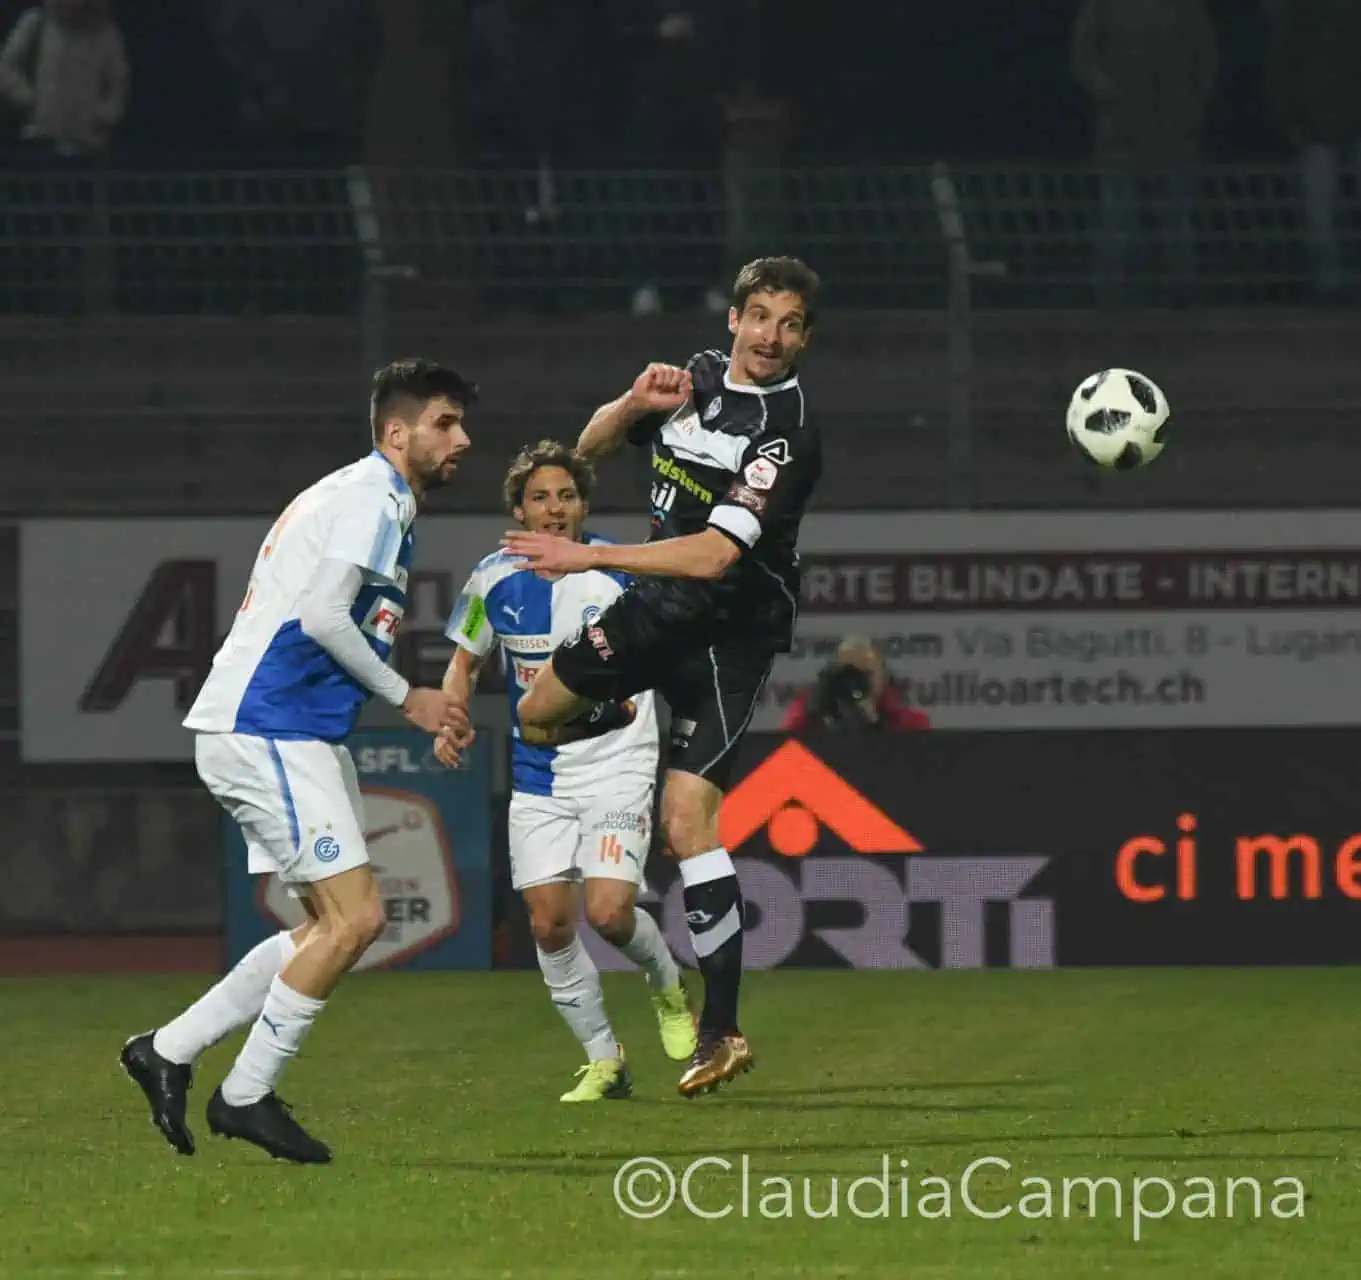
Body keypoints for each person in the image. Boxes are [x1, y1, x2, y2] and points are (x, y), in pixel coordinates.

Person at [120, 358, 477, 1164]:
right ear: (397, 432)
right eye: (445, 422)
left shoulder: (369, 497)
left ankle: (167, 1050)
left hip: (289, 732)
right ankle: (243, 1097)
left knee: (328, 922)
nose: (463, 438)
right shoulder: (370, 496)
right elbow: (320, 615)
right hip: (267, 727)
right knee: (357, 920)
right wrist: (408, 697)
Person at [498, 256, 822, 1096]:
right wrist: (631, 405)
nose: (770, 337)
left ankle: (720, 1030)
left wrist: (588, 553)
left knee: (688, 822)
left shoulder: (785, 431)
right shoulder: (699, 379)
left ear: (803, 338)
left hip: (728, 634)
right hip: (654, 614)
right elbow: (589, 449)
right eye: (759, 316)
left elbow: (717, 555)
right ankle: (627, 719)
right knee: (535, 713)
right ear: (733, 320)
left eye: (789, 324)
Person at [437, 440, 697, 1101]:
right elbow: (464, 660)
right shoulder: (489, 580)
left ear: (584, 504)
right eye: (539, 497)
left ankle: (667, 987)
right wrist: (453, 714)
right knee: (549, 922)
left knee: (609, 914)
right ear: (518, 508)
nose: (554, 509)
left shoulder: (617, 578)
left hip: (615, 761)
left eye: (566, 496)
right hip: (538, 773)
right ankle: (604, 1059)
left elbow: (670, 663)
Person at [780, 637, 932, 733]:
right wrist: (813, 709)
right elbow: (784, 751)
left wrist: (877, 725)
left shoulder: (912, 723)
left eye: (864, 672)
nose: (853, 681)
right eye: (847, 672)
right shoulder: (811, 713)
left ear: (884, 677)